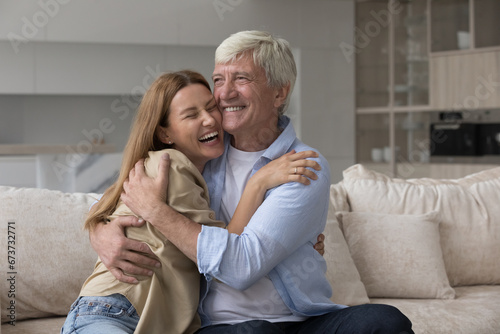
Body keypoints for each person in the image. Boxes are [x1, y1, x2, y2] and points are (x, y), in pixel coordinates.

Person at [92, 31, 414, 333]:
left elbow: (240, 267)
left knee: (384, 321)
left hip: (299, 320)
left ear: (280, 92)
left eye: (241, 79)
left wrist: (157, 211)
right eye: (219, 80)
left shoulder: (302, 165)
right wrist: (100, 232)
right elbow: (117, 201)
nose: (225, 93)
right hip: (221, 325)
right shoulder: (202, 152)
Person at [61, 70, 321, 334]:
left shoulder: (187, 169)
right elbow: (224, 259)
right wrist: (258, 182)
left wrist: (299, 246)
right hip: (113, 312)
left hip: (143, 317)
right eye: (191, 115)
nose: (209, 120)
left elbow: (106, 204)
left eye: (211, 108)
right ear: (165, 134)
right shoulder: (170, 167)